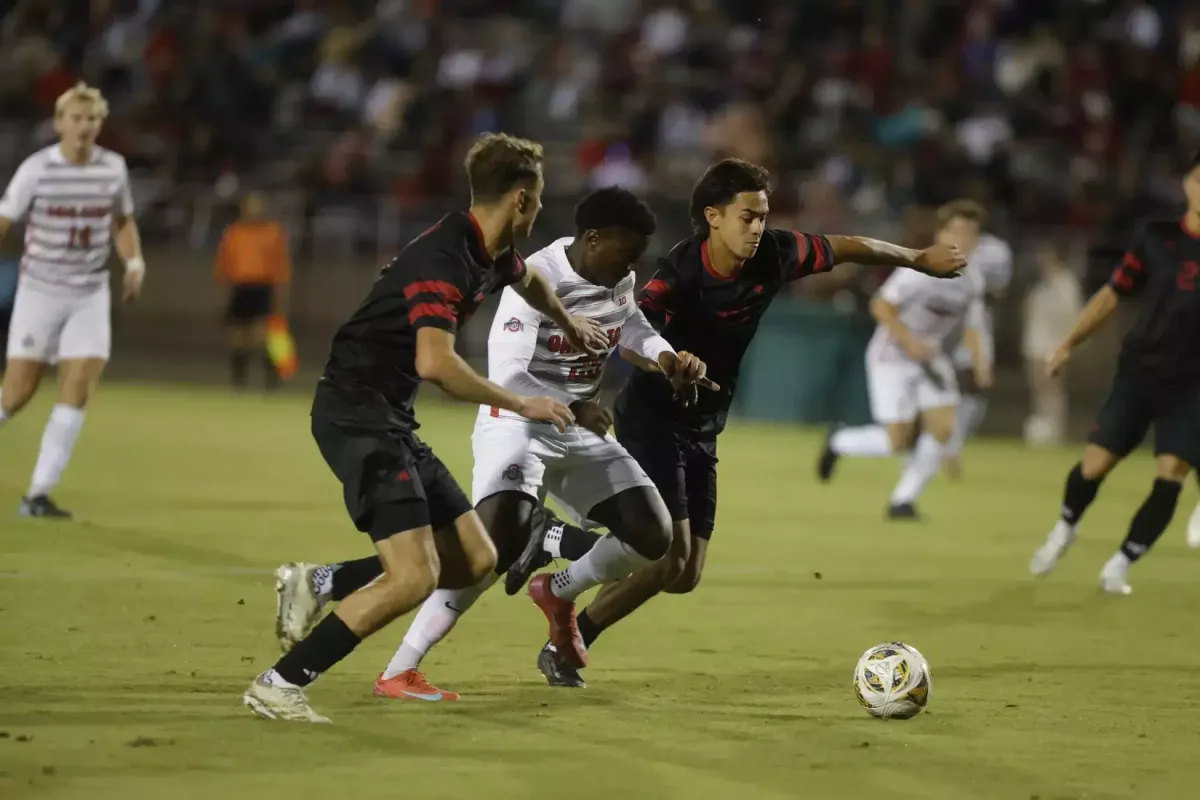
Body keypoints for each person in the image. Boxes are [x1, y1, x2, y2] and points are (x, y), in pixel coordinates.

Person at [504, 158, 968, 685]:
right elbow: (632, 338)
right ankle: (564, 624)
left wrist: (917, 259)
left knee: (684, 574)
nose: (757, 228)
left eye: (763, 216)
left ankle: (563, 573)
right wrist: (673, 363)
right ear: (713, 217)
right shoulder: (679, 272)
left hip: (705, 426)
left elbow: (849, 246)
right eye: (747, 217)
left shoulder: (774, 252)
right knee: (664, 556)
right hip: (654, 416)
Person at [271, 187, 712, 699]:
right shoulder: (539, 277)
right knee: (490, 549)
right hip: (517, 423)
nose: (632, 265)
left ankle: (557, 590)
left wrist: (667, 359)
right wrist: (572, 405)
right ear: (592, 239)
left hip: (576, 427)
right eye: (626, 252)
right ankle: (399, 666)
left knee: (653, 535)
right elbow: (509, 376)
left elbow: (629, 325)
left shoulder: (619, 277)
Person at [242, 132, 610, 723]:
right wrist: (522, 404)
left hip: (389, 417)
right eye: (538, 200)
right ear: (521, 199)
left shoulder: (488, 249)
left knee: (475, 557)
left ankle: (319, 582)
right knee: (413, 578)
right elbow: (435, 364)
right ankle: (279, 683)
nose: (540, 211)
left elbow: (527, 279)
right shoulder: (442, 260)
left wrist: (567, 318)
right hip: (356, 415)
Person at [1030, 156, 1200, 594]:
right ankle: (1067, 525)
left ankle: (1121, 563)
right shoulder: (1156, 237)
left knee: (1170, 476)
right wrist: (1069, 342)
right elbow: (1112, 295)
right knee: (1094, 465)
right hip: (1140, 372)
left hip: (1191, 386)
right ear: (1187, 184)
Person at [0, 82, 146, 519]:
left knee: (79, 386)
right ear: (60, 122)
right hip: (40, 291)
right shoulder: (37, 168)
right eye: (76, 118)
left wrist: (134, 262)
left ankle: (38, 494)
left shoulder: (113, 169)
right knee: (19, 390)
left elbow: (122, 219)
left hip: (88, 292)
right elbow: (5, 219)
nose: (84, 127)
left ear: (100, 125)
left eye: (92, 120)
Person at [817, 200, 993, 519]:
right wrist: (908, 340)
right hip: (892, 355)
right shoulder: (921, 270)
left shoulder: (973, 280)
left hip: (929, 356)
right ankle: (839, 440)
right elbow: (880, 306)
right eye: (955, 230)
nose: (962, 238)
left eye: (970, 232)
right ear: (941, 233)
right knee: (896, 441)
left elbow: (973, 326)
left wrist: (981, 362)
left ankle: (902, 501)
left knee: (942, 427)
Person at [943, 227, 1011, 476]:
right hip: (946, 323)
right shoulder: (944, 246)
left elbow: (999, 290)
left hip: (977, 320)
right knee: (949, 383)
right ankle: (945, 445)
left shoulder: (997, 250)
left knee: (976, 385)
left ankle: (953, 443)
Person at [214, 192, 292, 389]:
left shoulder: (273, 232)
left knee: (263, 336)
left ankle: (271, 379)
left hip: (262, 287)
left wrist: (279, 294)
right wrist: (224, 288)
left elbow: (279, 265)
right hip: (240, 288)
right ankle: (239, 381)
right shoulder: (234, 232)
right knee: (237, 338)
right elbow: (224, 263)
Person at [1021, 242, 1082, 446]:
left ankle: (1054, 428)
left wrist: (1064, 346)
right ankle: (1042, 425)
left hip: (1052, 346)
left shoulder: (1066, 284)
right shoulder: (1042, 285)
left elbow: (1070, 316)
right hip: (1035, 344)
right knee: (1039, 388)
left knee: (1052, 389)